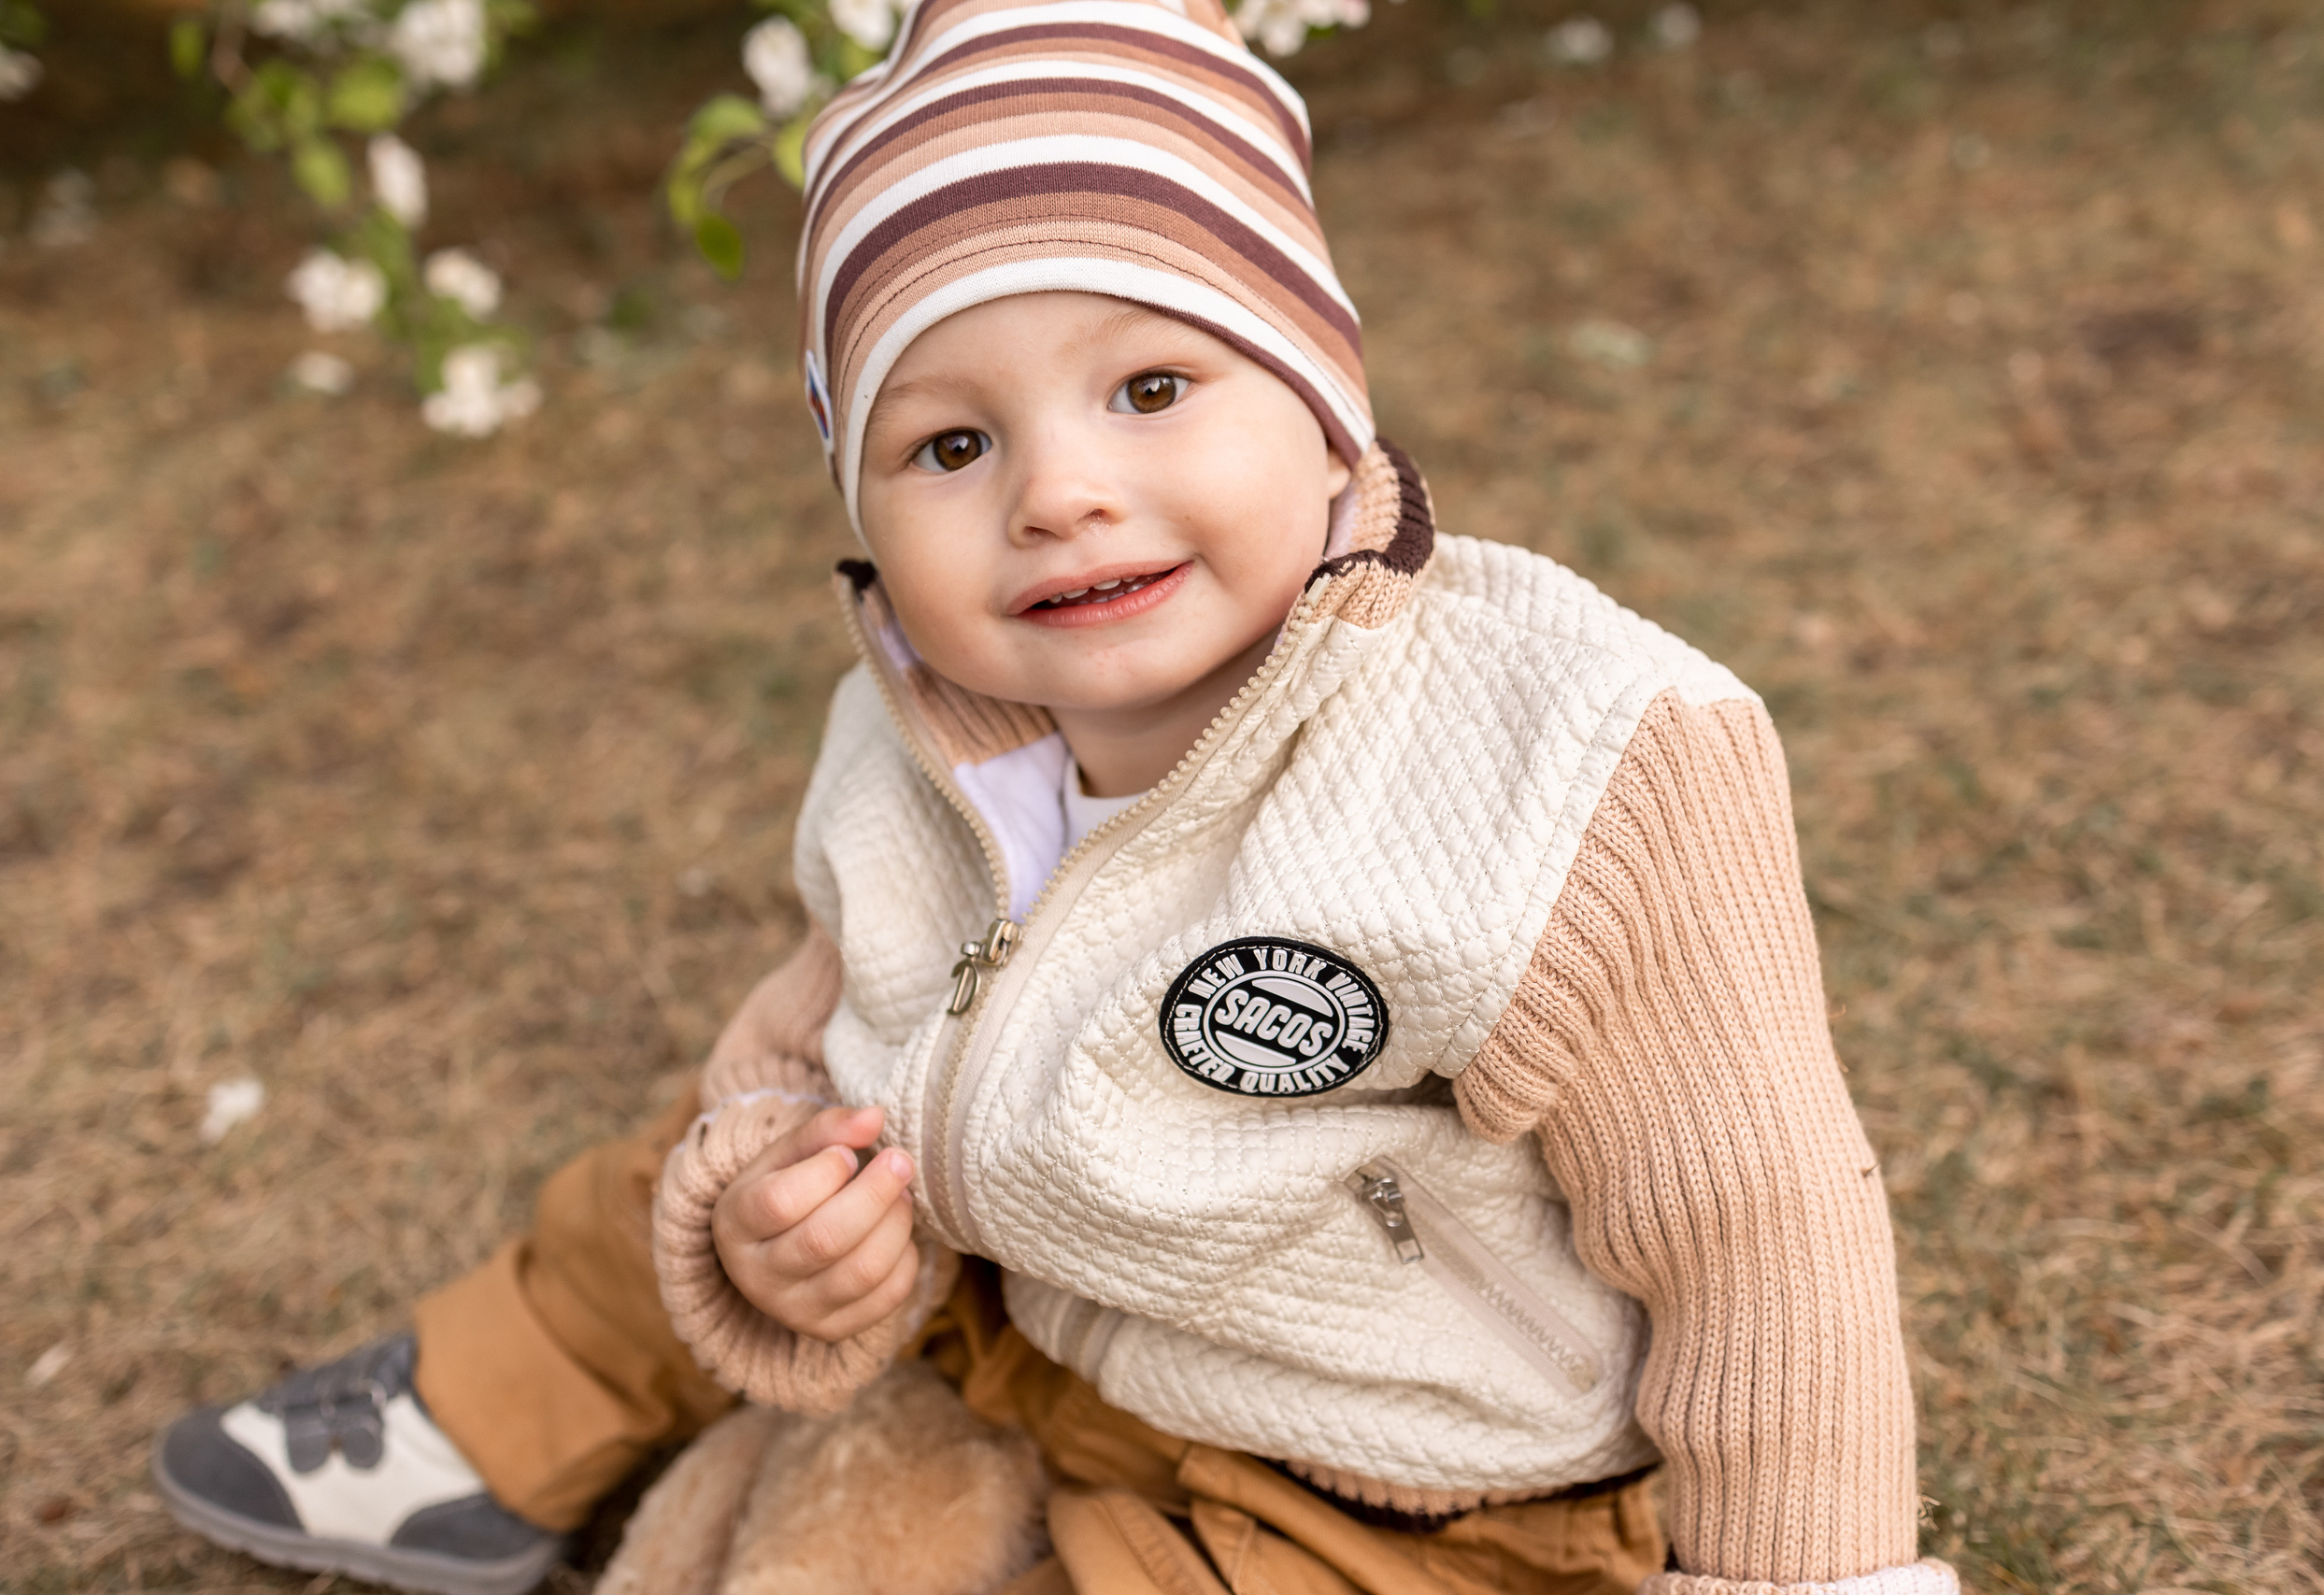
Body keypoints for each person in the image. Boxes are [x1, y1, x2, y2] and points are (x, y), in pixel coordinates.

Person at [155, 0, 1955, 1590]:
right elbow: (830, 1022)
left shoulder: (1568, 765)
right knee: (690, 1181)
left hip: (1391, 1487)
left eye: (1152, 385)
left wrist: (1806, 1577)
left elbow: (1760, 1225)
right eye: (951, 443)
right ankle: (481, 1414)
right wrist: (784, 1225)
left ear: (1323, 403)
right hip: (1033, 1300)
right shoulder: (920, 725)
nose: (1059, 493)